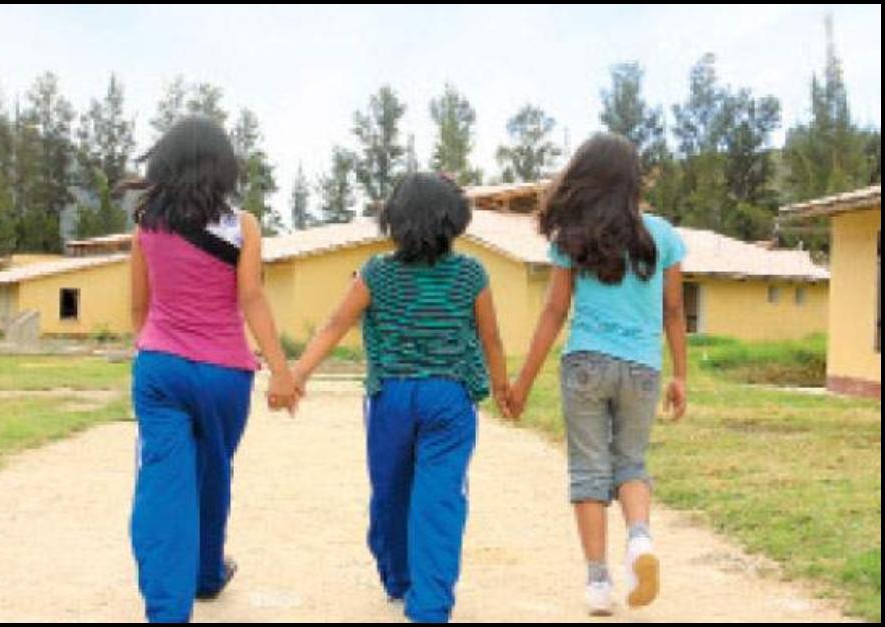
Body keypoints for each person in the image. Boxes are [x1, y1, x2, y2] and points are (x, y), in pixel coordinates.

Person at [291, 173, 512, 623]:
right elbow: (491, 339)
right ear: (455, 220)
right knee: (440, 498)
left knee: (390, 493)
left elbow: (334, 325)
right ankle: (430, 604)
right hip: (449, 398)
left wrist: (297, 375)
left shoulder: (375, 272)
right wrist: (503, 388)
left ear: (394, 219)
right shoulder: (471, 273)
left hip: (390, 397)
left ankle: (399, 578)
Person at [508, 133, 688, 616]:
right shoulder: (663, 235)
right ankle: (640, 539)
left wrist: (523, 382)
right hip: (643, 368)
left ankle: (598, 584)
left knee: (589, 471)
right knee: (631, 463)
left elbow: (554, 311)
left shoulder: (574, 237)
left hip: (586, 363)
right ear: (633, 179)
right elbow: (674, 311)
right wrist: (681, 376)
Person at [128, 115, 299, 623]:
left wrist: (151, 349)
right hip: (225, 373)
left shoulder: (147, 224)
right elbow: (251, 297)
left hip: (161, 367)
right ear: (224, 167)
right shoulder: (242, 225)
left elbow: (139, 306)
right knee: (213, 473)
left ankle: (166, 609)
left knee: (163, 484)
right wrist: (281, 372)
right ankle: (206, 573)